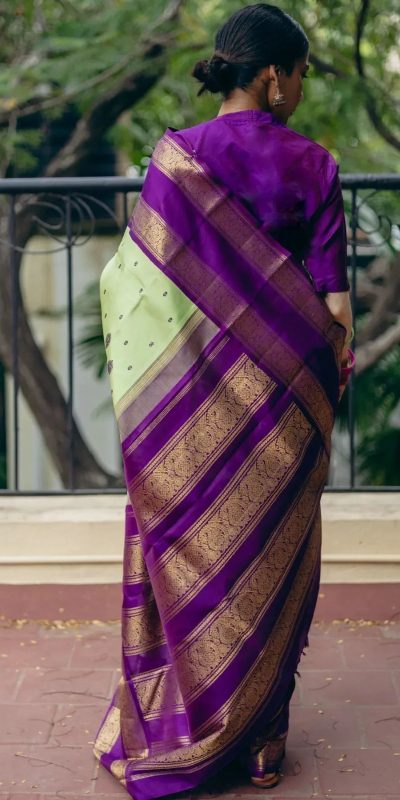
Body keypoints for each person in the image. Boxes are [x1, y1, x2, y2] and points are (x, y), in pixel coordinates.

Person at [93, 3, 355, 798]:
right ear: (273, 75)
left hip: (185, 409)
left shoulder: (174, 160)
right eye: (300, 73)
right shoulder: (315, 164)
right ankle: (261, 744)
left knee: (190, 554)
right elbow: (334, 307)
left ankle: (178, 723)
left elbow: (133, 289)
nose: (301, 88)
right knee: (274, 560)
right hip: (285, 408)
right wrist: (329, 373)